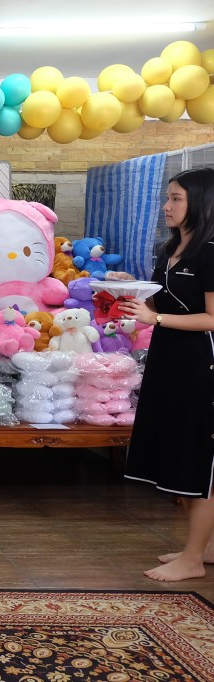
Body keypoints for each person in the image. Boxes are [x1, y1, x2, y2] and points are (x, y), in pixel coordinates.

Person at [121, 167, 214, 582]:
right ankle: (206, 548)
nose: (166, 206)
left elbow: (212, 318)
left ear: (202, 202)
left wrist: (154, 319)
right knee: (182, 455)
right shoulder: (171, 248)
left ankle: (192, 560)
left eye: (176, 198)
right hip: (169, 361)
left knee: (199, 463)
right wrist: (132, 289)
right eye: (168, 197)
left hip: (201, 366)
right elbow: (165, 303)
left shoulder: (210, 252)